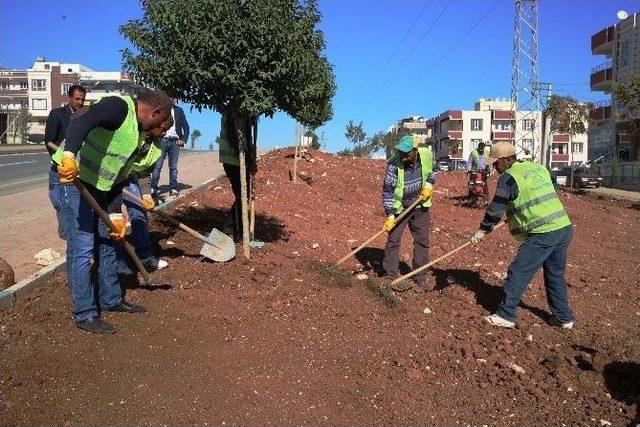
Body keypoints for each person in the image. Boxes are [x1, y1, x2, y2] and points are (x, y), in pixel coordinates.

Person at [53, 88, 173, 334]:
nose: (159, 129)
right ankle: (85, 313)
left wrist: (116, 216)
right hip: (71, 179)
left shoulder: (139, 133)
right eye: (160, 123)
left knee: (110, 240)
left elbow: (117, 177)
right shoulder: (119, 107)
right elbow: (82, 121)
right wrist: (68, 156)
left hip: (101, 187)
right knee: (83, 246)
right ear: (155, 112)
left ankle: (111, 299)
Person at [470, 142, 574, 329]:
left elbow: (495, 209)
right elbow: (550, 188)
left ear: (505, 160)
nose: (494, 166)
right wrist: (518, 209)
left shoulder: (508, 178)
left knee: (518, 271)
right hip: (563, 227)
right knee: (554, 274)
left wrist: (483, 230)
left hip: (543, 232)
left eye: (496, 163)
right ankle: (563, 317)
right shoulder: (537, 167)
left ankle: (506, 314)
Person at [116, 117, 173, 276]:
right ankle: (117, 262)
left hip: (127, 176)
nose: (164, 134)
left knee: (139, 212)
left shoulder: (155, 145)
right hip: (109, 174)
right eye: (162, 129)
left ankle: (145, 258)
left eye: (166, 130)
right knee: (113, 219)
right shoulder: (132, 131)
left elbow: (144, 171)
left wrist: (147, 194)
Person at [382, 135, 435, 292]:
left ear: (415, 151)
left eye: (407, 153)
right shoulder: (393, 165)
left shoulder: (426, 155)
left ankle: (420, 275)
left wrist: (429, 186)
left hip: (420, 204)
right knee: (393, 240)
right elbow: (387, 192)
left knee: (422, 240)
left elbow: (434, 171)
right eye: (401, 153)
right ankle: (390, 275)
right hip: (401, 208)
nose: (403, 157)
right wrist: (391, 214)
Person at [45, 84, 86, 238]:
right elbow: (49, 141)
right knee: (59, 202)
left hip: (77, 168)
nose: (80, 102)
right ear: (69, 98)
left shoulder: (85, 116)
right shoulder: (57, 114)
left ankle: (71, 234)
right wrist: (65, 155)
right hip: (58, 168)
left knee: (73, 203)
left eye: (82, 99)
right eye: (77, 99)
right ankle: (65, 233)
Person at [218, 112, 257, 242]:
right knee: (242, 195)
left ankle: (237, 229)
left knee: (243, 196)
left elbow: (247, 139)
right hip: (233, 161)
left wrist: (251, 160)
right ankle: (231, 229)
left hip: (237, 160)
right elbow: (236, 140)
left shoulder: (241, 115)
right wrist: (248, 160)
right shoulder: (233, 115)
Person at [151, 101, 189, 198]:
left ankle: (173, 188)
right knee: (157, 166)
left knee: (173, 167)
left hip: (174, 143)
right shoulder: (159, 109)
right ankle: (153, 188)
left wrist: (183, 139)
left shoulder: (179, 110)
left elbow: (186, 126)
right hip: (161, 141)